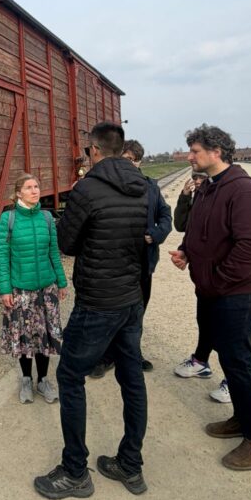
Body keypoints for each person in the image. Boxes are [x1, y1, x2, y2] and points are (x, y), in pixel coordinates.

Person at [34, 122, 149, 500]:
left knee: (69, 376)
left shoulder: (87, 188)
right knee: (132, 378)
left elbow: (68, 242)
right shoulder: (141, 186)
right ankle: (130, 464)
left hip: (98, 299)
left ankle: (74, 472)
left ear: (94, 151)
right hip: (131, 297)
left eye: (87, 151)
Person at [169, 124, 251, 471]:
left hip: (239, 291)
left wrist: (216, 281)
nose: (190, 157)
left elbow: (250, 248)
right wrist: (187, 251)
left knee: (239, 362)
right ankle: (241, 420)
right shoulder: (208, 188)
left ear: (217, 152)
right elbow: (199, 230)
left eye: (195, 151)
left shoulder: (243, 191)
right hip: (216, 290)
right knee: (230, 361)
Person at [89, 139, 171, 374]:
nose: (126, 165)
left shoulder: (150, 186)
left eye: (130, 161)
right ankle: (105, 356)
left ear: (139, 163)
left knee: (137, 312)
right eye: (123, 159)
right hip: (113, 263)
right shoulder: (105, 186)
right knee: (110, 312)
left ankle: (132, 354)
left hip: (142, 261)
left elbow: (165, 216)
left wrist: (156, 233)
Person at [0, 173, 68, 404]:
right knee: (25, 338)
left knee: (44, 337)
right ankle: (26, 379)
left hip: (46, 290)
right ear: (19, 193)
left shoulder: (46, 218)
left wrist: (62, 282)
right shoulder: (8, 219)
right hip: (21, 291)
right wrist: (5, 289)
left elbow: (53, 252)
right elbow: (2, 258)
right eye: (29, 187)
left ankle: (43, 380)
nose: (35, 191)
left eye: (36, 186)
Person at [172, 171, 232, 404]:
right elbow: (182, 225)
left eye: (201, 177)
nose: (196, 180)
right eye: (194, 177)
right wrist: (185, 198)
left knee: (229, 332)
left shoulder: (223, 195)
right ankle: (201, 362)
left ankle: (232, 380)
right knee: (205, 321)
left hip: (223, 279)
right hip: (204, 277)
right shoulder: (200, 196)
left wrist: (222, 276)